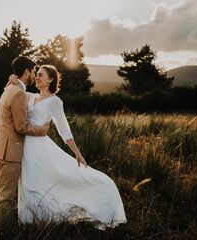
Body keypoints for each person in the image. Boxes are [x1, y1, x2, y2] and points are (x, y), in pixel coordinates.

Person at [8, 65, 127, 230]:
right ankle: (30, 221)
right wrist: (12, 79)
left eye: (41, 75)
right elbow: (12, 92)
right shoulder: (29, 96)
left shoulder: (55, 102)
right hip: (25, 147)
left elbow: (64, 130)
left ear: (50, 79)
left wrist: (77, 154)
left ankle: (42, 221)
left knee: (46, 181)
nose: (37, 77)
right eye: (37, 75)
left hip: (40, 147)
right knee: (29, 183)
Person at [0, 56, 50, 237]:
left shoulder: (10, 87)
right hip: (11, 150)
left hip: (0, 147)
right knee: (6, 195)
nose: (34, 75)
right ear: (25, 72)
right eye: (33, 71)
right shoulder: (18, 93)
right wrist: (42, 130)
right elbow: (21, 126)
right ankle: (2, 233)